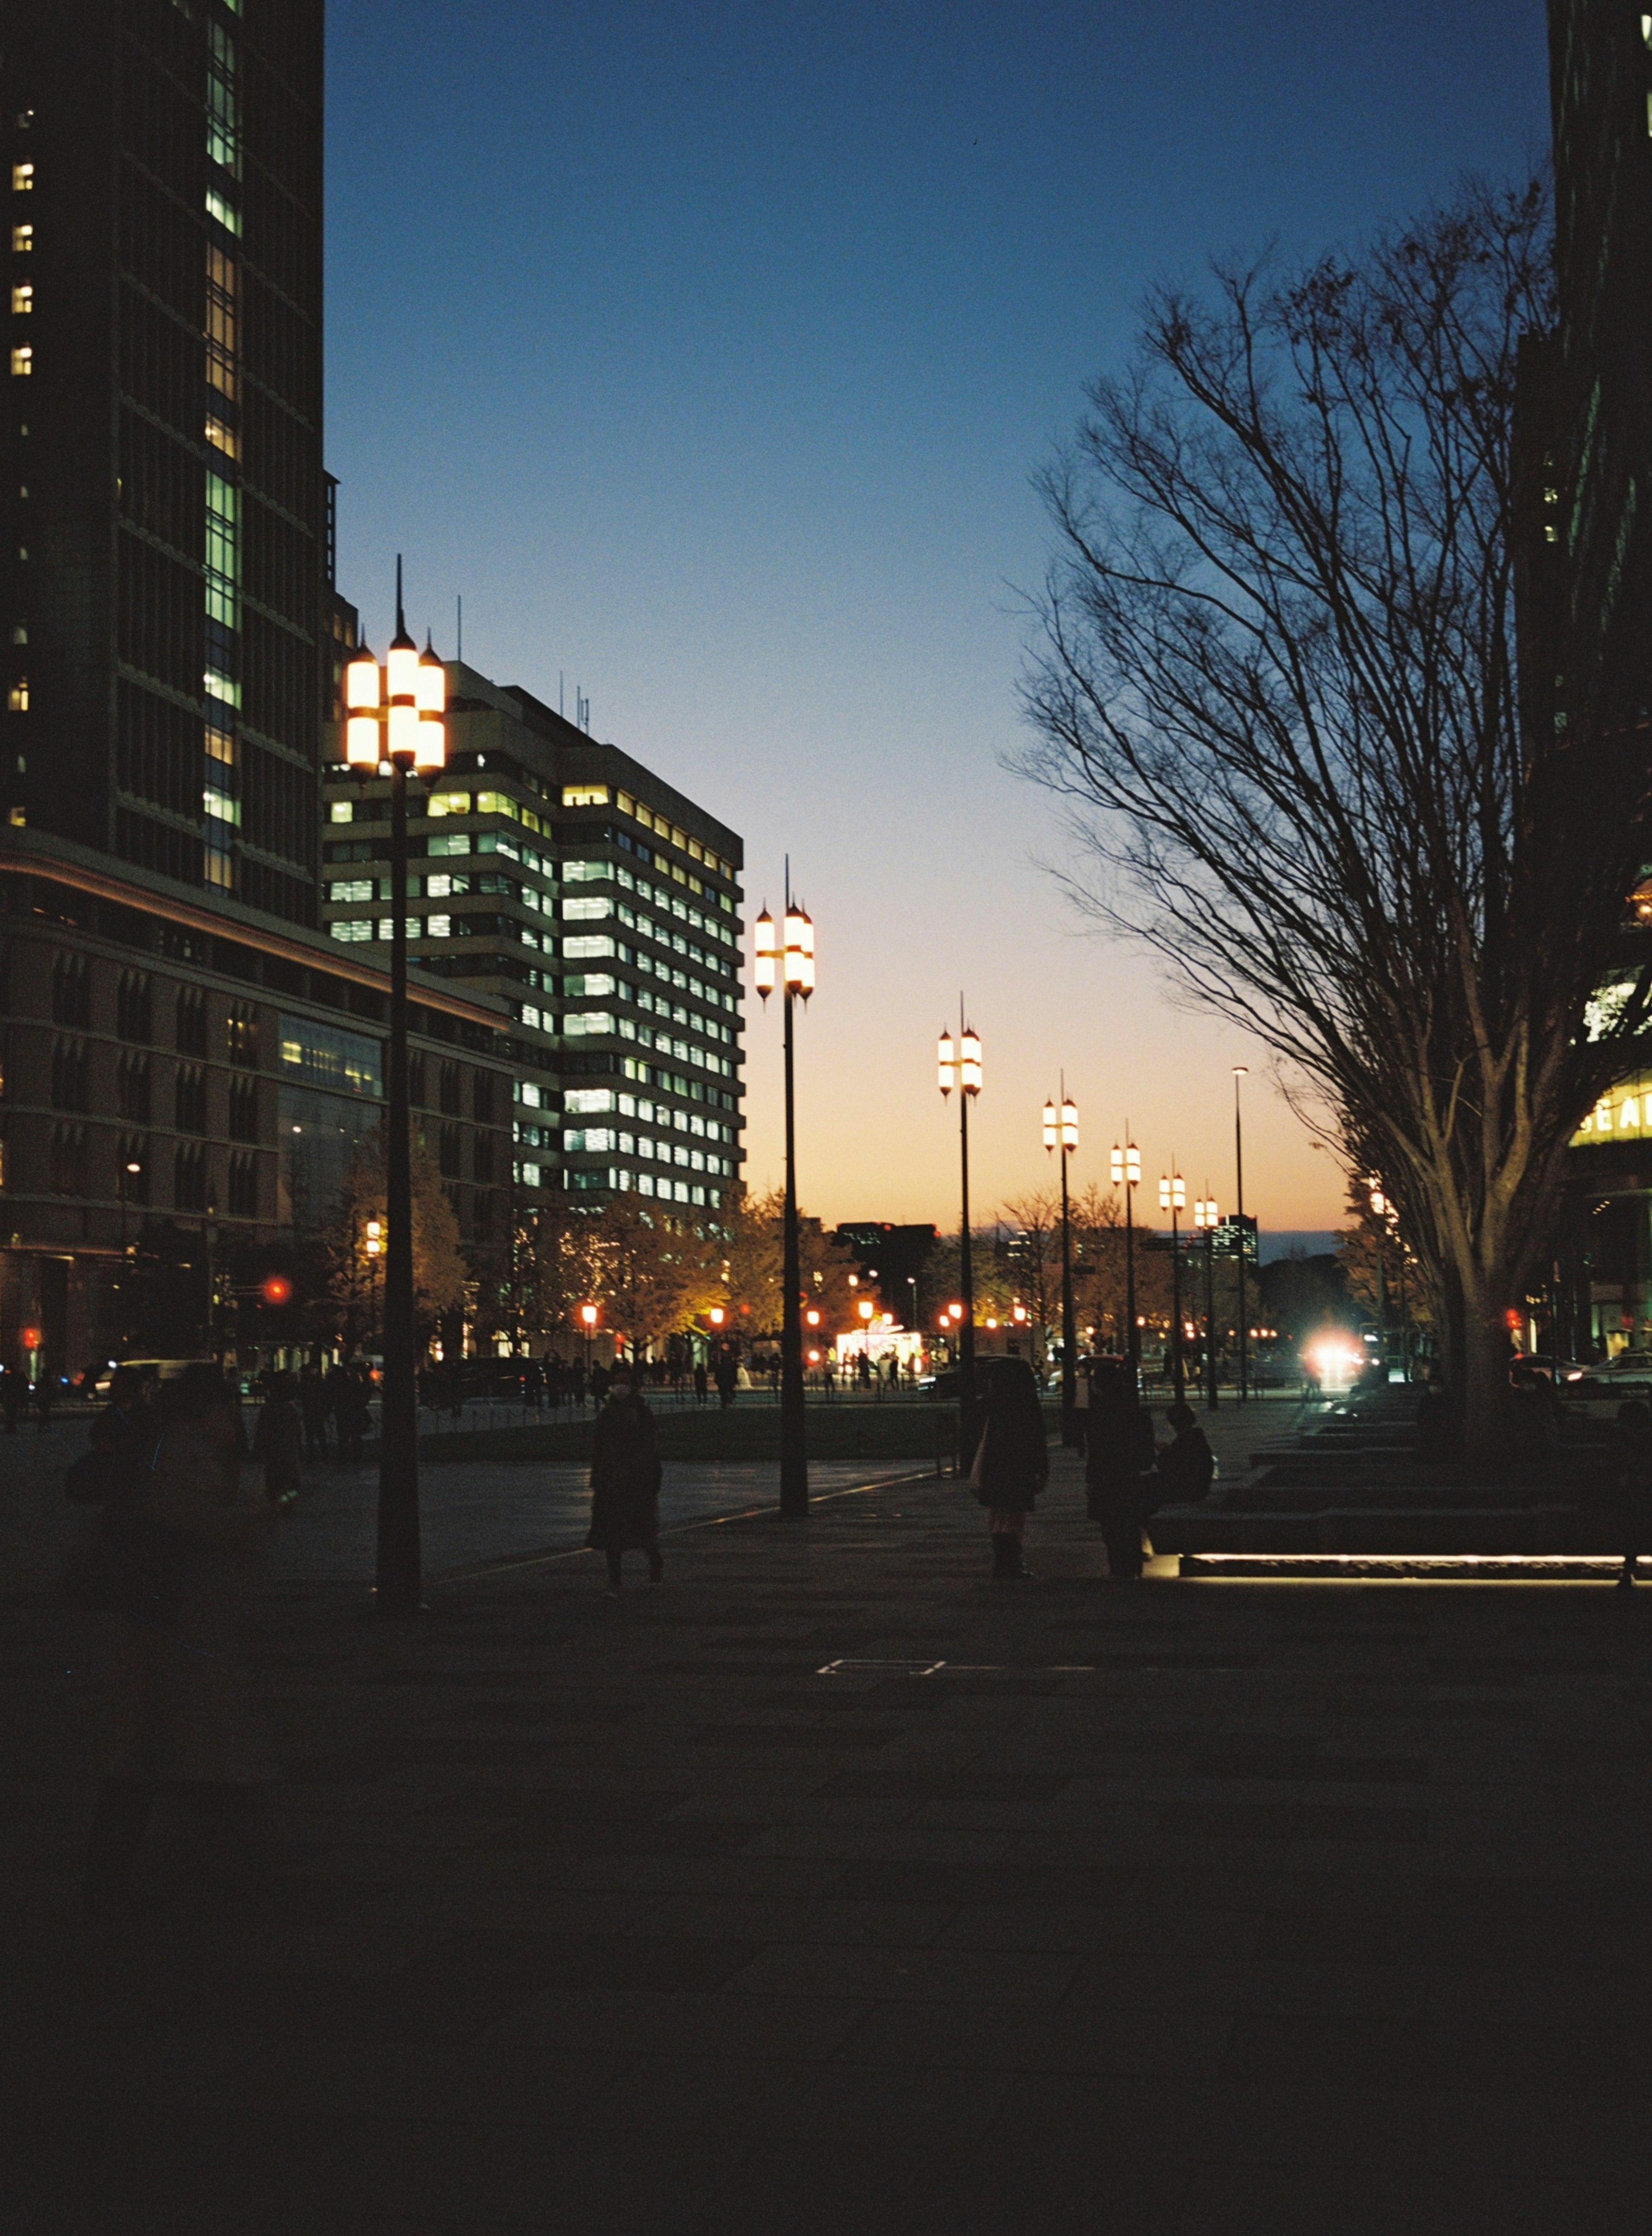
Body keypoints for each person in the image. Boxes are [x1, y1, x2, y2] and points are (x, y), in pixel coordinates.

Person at [82, 1364, 283, 1915]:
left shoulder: (172, 1450)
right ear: (209, 1412)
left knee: (155, 1751)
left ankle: (136, 1871)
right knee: (174, 1750)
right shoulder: (183, 1455)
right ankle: (187, 1872)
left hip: (159, 1625)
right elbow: (202, 1523)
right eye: (230, 1411)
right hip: (166, 1627)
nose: (237, 1422)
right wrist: (267, 1514)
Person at [967, 1357, 1048, 1579]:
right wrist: (1042, 1468)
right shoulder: (1027, 1404)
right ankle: (1012, 1561)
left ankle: (1002, 1561)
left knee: (998, 1513)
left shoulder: (992, 1403)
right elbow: (1037, 1439)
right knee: (1015, 1514)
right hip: (1019, 1465)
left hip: (995, 1465)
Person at [586, 1366, 664, 1596]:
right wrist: (599, 1475)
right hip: (611, 1480)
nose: (621, 1388)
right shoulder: (608, 1414)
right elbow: (600, 1447)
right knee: (612, 1534)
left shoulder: (642, 1414)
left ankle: (655, 1561)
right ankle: (615, 1581)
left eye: (625, 1383)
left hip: (635, 1481)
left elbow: (648, 1448)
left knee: (641, 1529)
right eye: (617, 1383)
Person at [1084, 1360, 1156, 1581]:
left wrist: (1091, 1479)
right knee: (1130, 1520)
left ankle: (1118, 1566)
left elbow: (1095, 1452)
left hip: (1107, 1474)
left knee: (1111, 1524)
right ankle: (1134, 1564)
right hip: (1130, 1472)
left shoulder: (1097, 1416)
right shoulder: (1135, 1412)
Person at [1612, 1400, 1652, 1588]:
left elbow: (1616, 1459)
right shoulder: (1646, 1436)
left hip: (1628, 1488)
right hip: (1643, 1486)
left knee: (1630, 1530)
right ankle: (1629, 1567)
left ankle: (1628, 1569)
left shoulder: (1619, 1436)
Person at [253, 1371, 303, 1505]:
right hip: (288, 1449)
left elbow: (261, 1430)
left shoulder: (268, 1409)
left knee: (274, 1480)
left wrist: (259, 1447)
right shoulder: (290, 1409)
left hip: (273, 1450)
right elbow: (297, 1431)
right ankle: (286, 1501)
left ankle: (277, 1502)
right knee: (291, 1480)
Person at [1156, 1401, 1216, 1505]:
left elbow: (1170, 1468)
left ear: (1171, 1424)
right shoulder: (1197, 1439)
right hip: (1200, 1489)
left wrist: (1164, 1452)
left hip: (1188, 1491)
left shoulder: (1184, 1442)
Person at [299, 1361, 330, 1456]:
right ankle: (318, 1453)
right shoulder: (313, 1381)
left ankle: (316, 1454)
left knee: (315, 1433)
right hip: (313, 1411)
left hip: (314, 1410)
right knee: (315, 1434)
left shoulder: (310, 1381)